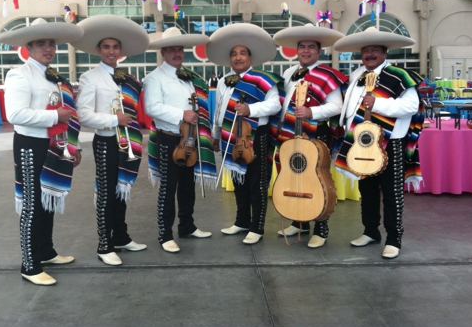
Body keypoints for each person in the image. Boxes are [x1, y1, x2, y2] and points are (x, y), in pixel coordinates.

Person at [0, 18, 84, 286]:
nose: (48, 48)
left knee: (47, 200)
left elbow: (67, 114)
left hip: (54, 143)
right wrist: (53, 115)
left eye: (51, 44)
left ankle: (45, 251)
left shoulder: (54, 76)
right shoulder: (19, 75)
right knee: (32, 204)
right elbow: (15, 114)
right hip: (30, 145)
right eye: (41, 44)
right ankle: (30, 264)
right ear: (29, 47)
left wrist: (73, 145)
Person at [333, 27, 424, 260]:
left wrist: (378, 104)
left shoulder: (400, 76)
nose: (369, 54)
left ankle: (394, 239)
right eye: (365, 50)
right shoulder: (356, 76)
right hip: (362, 142)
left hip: (390, 143)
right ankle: (371, 231)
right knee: (367, 189)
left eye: (374, 50)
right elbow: (351, 106)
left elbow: (410, 107)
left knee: (392, 193)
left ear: (385, 53)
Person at [73, 15, 149, 266]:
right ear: (98, 50)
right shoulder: (90, 77)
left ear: (121, 51)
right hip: (106, 141)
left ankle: (121, 237)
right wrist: (115, 120)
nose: (111, 51)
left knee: (121, 191)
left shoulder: (126, 78)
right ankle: (104, 244)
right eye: (106, 47)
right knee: (106, 194)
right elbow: (83, 116)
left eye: (115, 47)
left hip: (127, 141)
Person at [272, 24, 348, 248]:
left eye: (311, 47)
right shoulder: (289, 73)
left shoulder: (327, 75)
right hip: (288, 132)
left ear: (319, 51)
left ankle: (321, 229)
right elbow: (284, 103)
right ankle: (300, 222)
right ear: (296, 50)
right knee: (292, 174)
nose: (306, 51)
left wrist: (311, 112)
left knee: (317, 178)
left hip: (316, 133)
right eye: (302, 47)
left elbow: (337, 106)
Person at [207, 23, 282, 245]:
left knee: (256, 183)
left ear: (250, 57)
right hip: (230, 137)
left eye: (242, 53)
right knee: (238, 180)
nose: (238, 58)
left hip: (256, 136)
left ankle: (257, 227)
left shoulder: (263, 79)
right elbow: (219, 110)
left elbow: (275, 105)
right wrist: (216, 134)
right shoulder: (223, 81)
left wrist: (251, 110)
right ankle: (241, 221)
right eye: (234, 54)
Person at [143, 27, 216, 253]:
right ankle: (165, 234)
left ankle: (187, 225)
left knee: (187, 185)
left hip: (190, 138)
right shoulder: (154, 78)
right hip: (169, 139)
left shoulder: (189, 77)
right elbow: (151, 108)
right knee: (168, 187)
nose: (177, 54)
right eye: (172, 50)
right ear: (163, 53)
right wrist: (181, 115)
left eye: (180, 50)